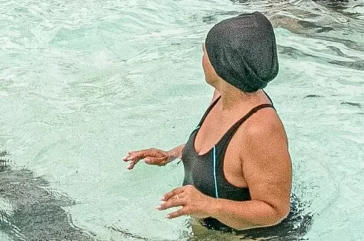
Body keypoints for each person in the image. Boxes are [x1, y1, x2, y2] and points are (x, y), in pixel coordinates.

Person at [124, 13, 291, 233]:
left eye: (205, 52)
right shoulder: (224, 95)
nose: (202, 57)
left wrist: (208, 205)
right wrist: (173, 154)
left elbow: (276, 211)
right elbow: (221, 156)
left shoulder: (259, 129)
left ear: (223, 65)